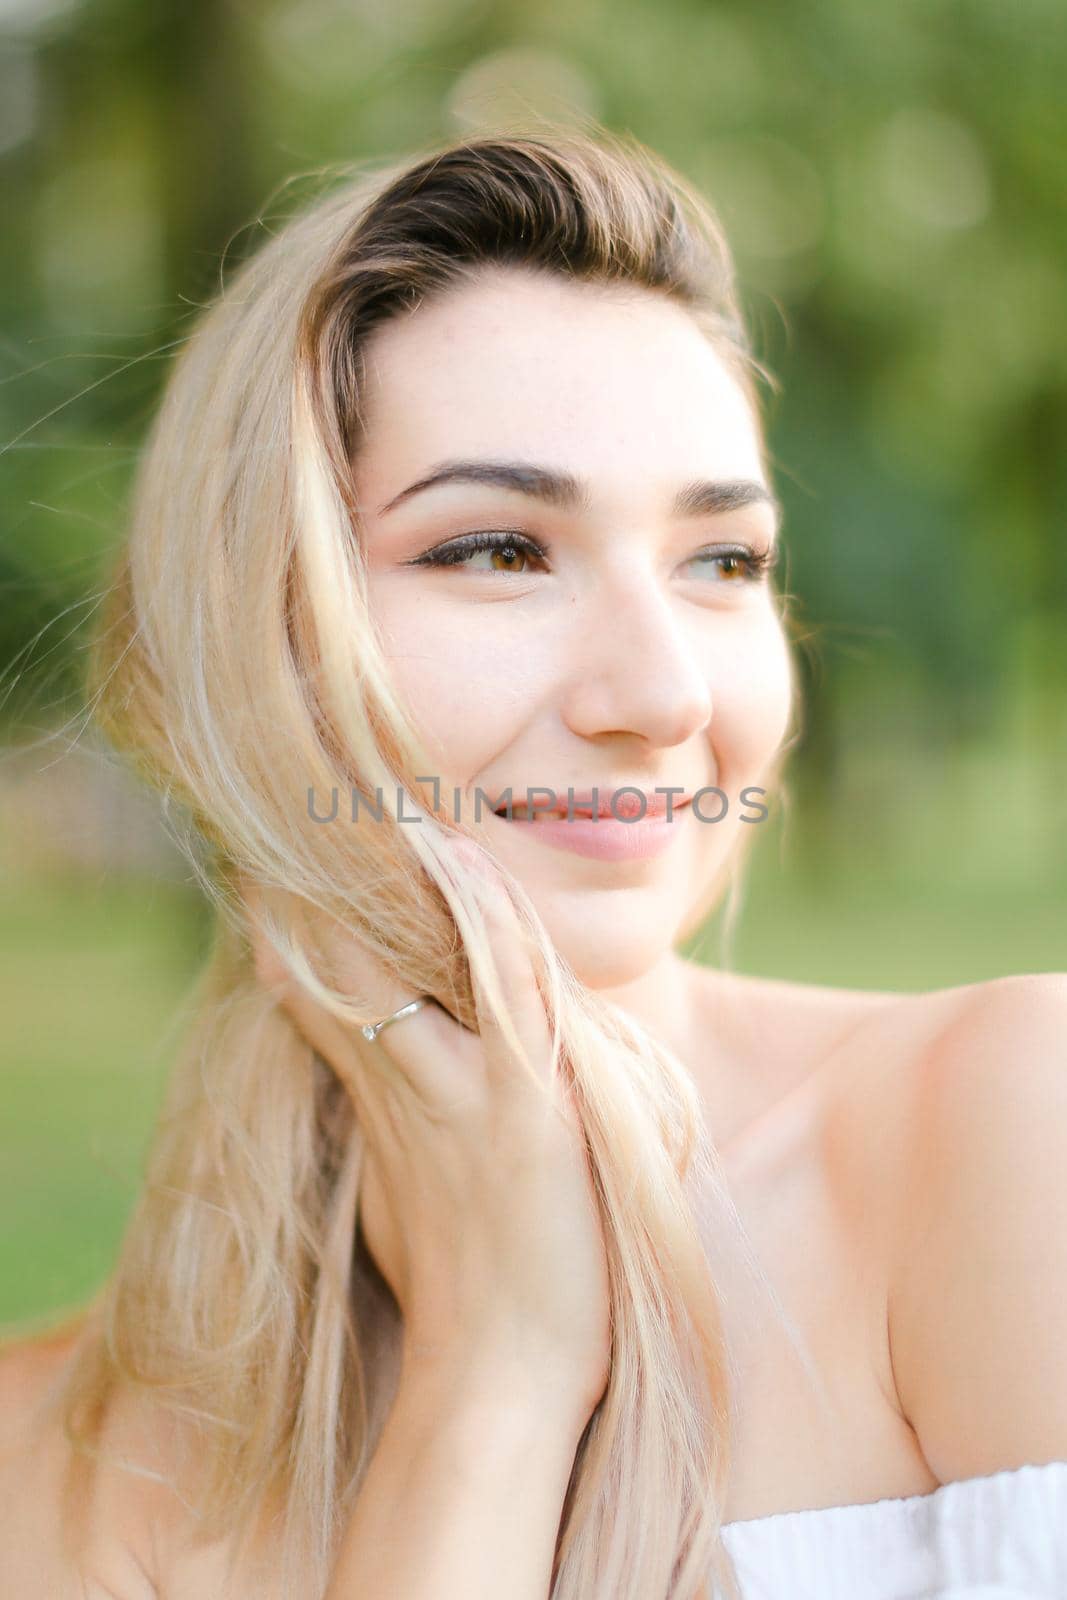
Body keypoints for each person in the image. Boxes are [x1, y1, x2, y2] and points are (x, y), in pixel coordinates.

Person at [1, 125, 1065, 1600]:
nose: (663, 697)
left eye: (722, 561)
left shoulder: (1011, 1135)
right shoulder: (45, 1457)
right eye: (500, 548)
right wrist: (491, 1376)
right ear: (255, 638)